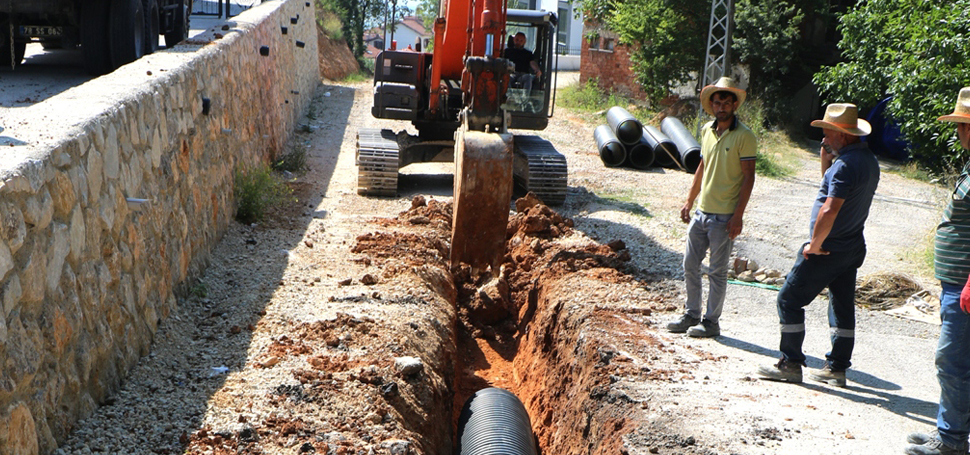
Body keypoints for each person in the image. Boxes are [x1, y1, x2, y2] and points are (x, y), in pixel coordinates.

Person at [757, 103, 879, 386]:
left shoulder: (846, 166)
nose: (823, 139)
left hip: (829, 247)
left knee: (788, 299)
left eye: (827, 133)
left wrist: (814, 245)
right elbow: (832, 190)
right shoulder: (867, 161)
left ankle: (791, 363)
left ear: (843, 135)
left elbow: (829, 209)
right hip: (851, 246)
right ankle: (836, 368)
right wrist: (828, 162)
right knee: (841, 305)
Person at [904, 87, 970, 455]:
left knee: (952, 360)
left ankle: (952, 441)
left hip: (966, 286)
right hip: (957, 283)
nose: (958, 132)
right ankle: (950, 430)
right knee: (957, 359)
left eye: (962, 125)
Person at [665, 77, 757, 338]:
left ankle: (711, 322)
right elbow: (702, 168)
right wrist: (689, 200)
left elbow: (749, 177)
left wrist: (738, 215)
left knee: (717, 272)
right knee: (689, 264)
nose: (721, 107)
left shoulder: (745, 136)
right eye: (717, 102)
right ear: (712, 105)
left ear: (734, 104)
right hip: (702, 212)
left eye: (726, 102)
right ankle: (691, 314)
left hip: (724, 215)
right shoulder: (706, 130)